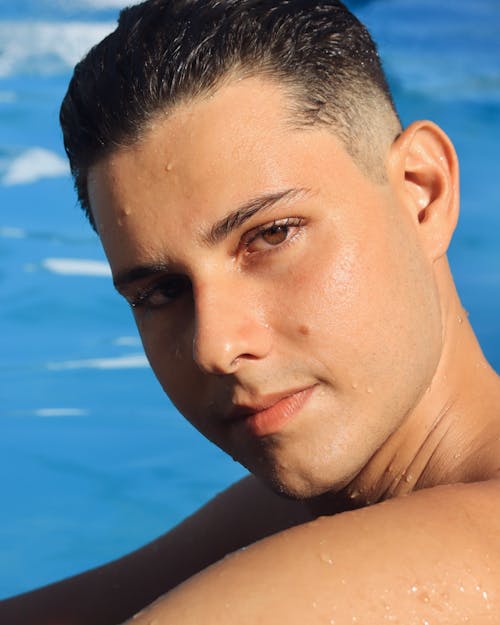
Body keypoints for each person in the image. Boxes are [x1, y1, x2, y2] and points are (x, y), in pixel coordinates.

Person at [2, 0, 499, 623]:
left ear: (422, 195)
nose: (214, 345)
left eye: (271, 236)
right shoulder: (305, 514)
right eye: (161, 292)